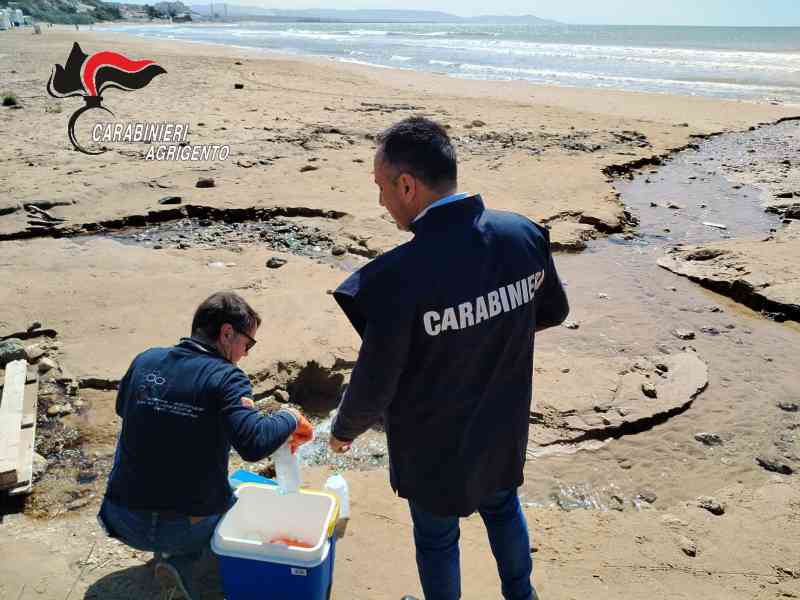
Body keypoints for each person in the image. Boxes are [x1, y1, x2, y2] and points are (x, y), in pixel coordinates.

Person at [328, 117, 569, 600]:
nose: (380, 201)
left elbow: (376, 380)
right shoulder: (521, 236)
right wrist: (488, 333)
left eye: (381, 187)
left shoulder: (397, 278)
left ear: (407, 185)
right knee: (503, 506)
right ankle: (522, 595)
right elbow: (553, 310)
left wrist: (343, 431)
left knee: (438, 537)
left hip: (435, 445)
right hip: (502, 421)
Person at [99, 291, 313, 600]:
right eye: (247, 343)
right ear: (227, 333)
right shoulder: (227, 378)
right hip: (182, 530)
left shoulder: (146, 360)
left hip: (121, 518)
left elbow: (125, 410)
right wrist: (290, 417)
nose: (246, 353)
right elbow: (253, 445)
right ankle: (181, 562)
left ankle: (166, 552)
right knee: (240, 502)